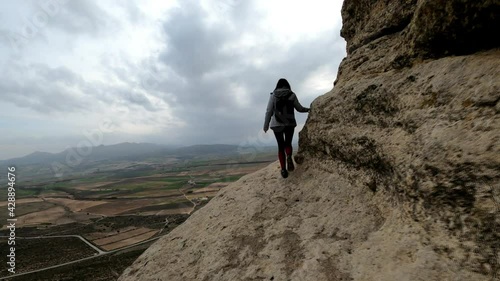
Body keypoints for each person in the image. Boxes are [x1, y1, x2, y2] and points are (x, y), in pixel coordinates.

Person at [263, 78, 309, 178]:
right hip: (289, 123)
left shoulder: (273, 95)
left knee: (280, 146)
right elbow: (299, 108)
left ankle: (283, 170)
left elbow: (269, 111)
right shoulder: (292, 94)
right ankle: (288, 155)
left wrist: (266, 126)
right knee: (288, 143)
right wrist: (309, 109)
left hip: (276, 124)